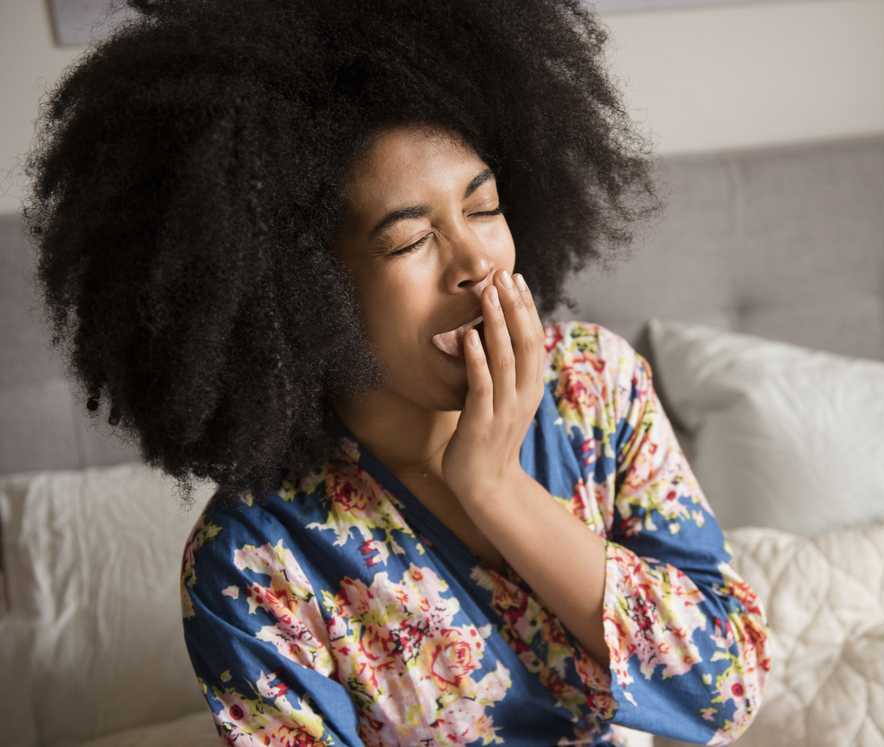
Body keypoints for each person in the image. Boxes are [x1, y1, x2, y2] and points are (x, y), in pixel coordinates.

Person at [22, 0, 771, 744]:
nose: (477, 262)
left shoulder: (593, 388)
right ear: (306, 292)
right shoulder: (255, 560)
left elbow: (726, 687)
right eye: (411, 239)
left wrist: (497, 488)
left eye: (484, 208)